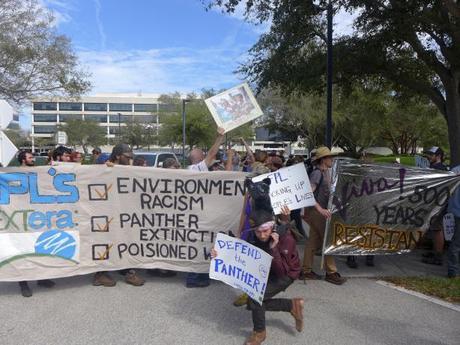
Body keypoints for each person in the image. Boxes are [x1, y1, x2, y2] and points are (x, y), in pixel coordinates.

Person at [211, 207, 303, 345]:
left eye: (265, 231)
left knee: (255, 299)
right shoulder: (253, 236)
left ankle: (259, 333)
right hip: (266, 271)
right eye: (258, 231)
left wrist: (274, 249)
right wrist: (219, 254)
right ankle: (291, 305)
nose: (262, 235)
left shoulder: (286, 239)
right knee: (253, 303)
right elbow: (240, 253)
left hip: (286, 273)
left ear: (272, 227)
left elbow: (282, 272)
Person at [93, 143, 145, 287]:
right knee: (105, 243)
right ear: (117, 156)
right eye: (127, 158)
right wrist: (106, 169)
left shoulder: (126, 170)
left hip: (122, 212)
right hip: (105, 214)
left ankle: (128, 271)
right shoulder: (103, 168)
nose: (130, 161)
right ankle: (100, 274)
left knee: (125, 240)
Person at [186, 127, 225, 288]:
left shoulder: (189, 171)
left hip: (195, 214)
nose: (205, 156)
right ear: (197, 158)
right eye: (201, 155)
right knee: (199, 245)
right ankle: (194, 278)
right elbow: (212, 154)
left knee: (199, 245)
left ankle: (198, 275)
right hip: (197, 215)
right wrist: (219, 137)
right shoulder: (196, 169)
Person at [301, 146, 346, 285]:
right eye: (330, 157)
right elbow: (307, 193)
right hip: (316, 212)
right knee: (328, 240)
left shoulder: (325, 172)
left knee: (313, 241)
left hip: (317, 212)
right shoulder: (317, 173)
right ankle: (331, 272)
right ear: (323, 160)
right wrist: (320, 209)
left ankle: (306, 270)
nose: (332, 159)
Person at [16, 150, 56, 297]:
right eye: (30, 157)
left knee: (40, 249)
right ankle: (23, 283)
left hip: (38, 218)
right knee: (23, 252)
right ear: (23, 159)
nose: (33, 159)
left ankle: (42, 278)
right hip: (22, 219)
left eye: (33, 157)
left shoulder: (38, 172)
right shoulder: (14, 174)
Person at [422, 146, 448, 265]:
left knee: (437, 229)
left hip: (438, 204)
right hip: (435, 203)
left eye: (431, 155)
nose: (428, 157)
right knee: (433, 228)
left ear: (438, 156)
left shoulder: (439, 168)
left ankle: (438, 257)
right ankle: (435, 251)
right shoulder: (437, 167)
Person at [447, 179, 460, 278]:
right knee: (456, 243)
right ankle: (453, 271)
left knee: (455, 243)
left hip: (455, 210)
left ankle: (453, 271)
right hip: (457, 211)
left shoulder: (455, 171)